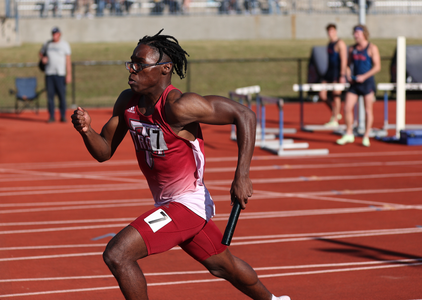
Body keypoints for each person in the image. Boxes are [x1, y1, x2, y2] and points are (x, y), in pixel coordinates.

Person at [71, 30, 290, 300]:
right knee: (224, 266)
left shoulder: (179, 107)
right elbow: (104, 151)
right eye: (131, 63)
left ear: (165, 69)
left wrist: (242, 176)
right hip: (167, 203)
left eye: (140, 65)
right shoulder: (128, 102)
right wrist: (86, 131)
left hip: (187, 204)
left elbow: (244, 114)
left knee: (117, 254)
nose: (132, 70)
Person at [336, 24, 380, 147]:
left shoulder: (372, 48)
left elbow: (377, 66)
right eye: (354, 33)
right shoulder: (352, 49)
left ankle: (366, 135)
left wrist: (364, 77)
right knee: (347, 107)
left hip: (367, 83)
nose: (355, 35)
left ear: (364, 34)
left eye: (358, 33)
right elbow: (347, 65)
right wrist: (348, 75)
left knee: (367, 110)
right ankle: (349, 133)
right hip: (355, 83)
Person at [39, 27, 72, 123]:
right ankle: (51, 116)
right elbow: (41, 53)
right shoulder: (47, 44)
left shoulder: (64, 45)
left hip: (60, 74)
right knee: (50, 96)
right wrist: (43, 58)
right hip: (49, 74)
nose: (54, 35)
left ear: (59, 34)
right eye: (53, 33)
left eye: (56, 33)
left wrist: (68, 74)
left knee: (62, 96)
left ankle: (62, 115)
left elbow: (68, 60)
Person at [319, 23, 347, 127]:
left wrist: (342, 75)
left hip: (337, 71)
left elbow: (344, 60)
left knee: (336, 95)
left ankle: (335, 119)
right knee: (322, 94)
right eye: (328, 32)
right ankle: (335, 112)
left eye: (332, 31)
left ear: (336, 32)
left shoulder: (340, 43)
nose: (330, 34)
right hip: (329, 71)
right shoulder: (329, 44)